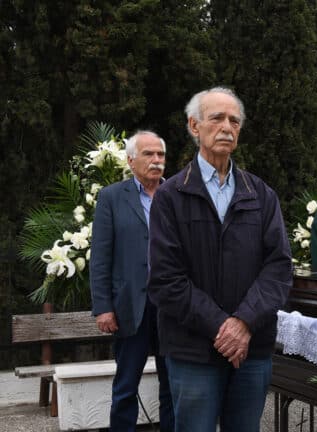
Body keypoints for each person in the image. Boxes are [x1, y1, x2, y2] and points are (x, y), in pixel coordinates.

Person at [148, 87, 293, 432]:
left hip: (251, 350)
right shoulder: (171, 196)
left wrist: (243, 323)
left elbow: (278, 267)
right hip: (193, 351)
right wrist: (222, 327)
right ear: (194, 127)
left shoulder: (260, 194)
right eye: (216, 118)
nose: (227, 127)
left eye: (234, 120)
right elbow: (167, 279)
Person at [90, 130, 174, 431]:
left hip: (171, 307)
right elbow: (100, 257)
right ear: (130, 160)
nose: (156, 160)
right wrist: (103, 307)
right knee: (126, 386)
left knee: (172, 386)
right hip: (129, 306)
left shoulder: (176, 196)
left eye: (160, 155)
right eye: (149, 154)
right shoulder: (112, 197)